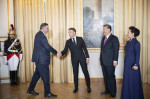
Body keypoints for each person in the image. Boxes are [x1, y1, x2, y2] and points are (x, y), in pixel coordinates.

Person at [27, 23, 59, 98]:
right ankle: (47, 93)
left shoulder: (38, 34)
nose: (48, 29)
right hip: (42, 60)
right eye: (47, 28)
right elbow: (47, 46)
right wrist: (56, 52)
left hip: (39, 59)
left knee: (36, 75)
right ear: (43, 28)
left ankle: (30, 89)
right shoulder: (41, 35)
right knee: (46, 77)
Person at [59, 28, 91, 93]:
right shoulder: (68, 41)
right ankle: (76, 88)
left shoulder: (80, 39)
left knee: (85, 72)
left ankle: (88, 87)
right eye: (68, 32)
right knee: (75, 73)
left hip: (82, 58)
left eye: (70, 32)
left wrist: (87, 57)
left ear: (74, 32)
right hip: (74, 59)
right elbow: (65, 50)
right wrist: (61, 53)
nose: (69, 34)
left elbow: (85, 48)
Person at [121, 26, 144, 99]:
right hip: (127, 64)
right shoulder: (128, 42)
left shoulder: (137, 43)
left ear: (133, 34)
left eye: (128, 32)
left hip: (133, 65)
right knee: (127, 80)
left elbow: (137, 55)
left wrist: (136, 64)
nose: (127, 33)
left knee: (134, 81)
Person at [100, 24, 120, 97]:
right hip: (103, 61)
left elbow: (116, 50)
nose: (103, 31)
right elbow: (102, 50)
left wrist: (115, 60)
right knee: (105, 77)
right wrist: (100, 59)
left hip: (110, 62)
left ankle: (113, 93)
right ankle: (107, 90)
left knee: (111, 77)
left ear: (108, 30)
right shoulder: (103, 38)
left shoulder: (114, 38)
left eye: (104, 29)